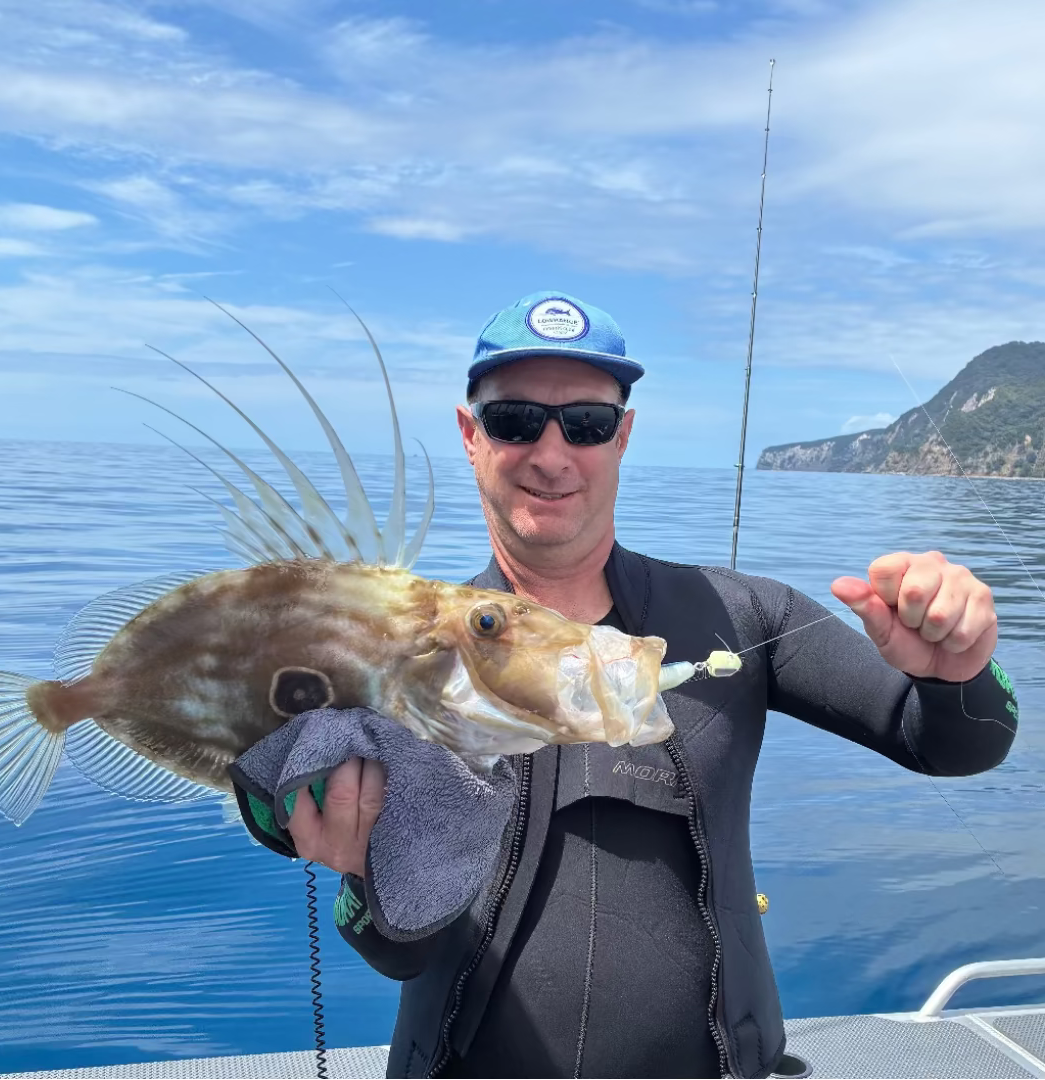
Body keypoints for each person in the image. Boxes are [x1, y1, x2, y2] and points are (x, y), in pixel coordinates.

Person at [288, 291, 1017, 1080]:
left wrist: (961, 670)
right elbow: (398, 952)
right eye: (515, 420)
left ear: (624, 435)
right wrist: (360, 875)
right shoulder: (404, 658)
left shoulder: (744, 615)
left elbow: (952, 744)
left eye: (587, 423)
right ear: (471, 436)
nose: (552, 453)